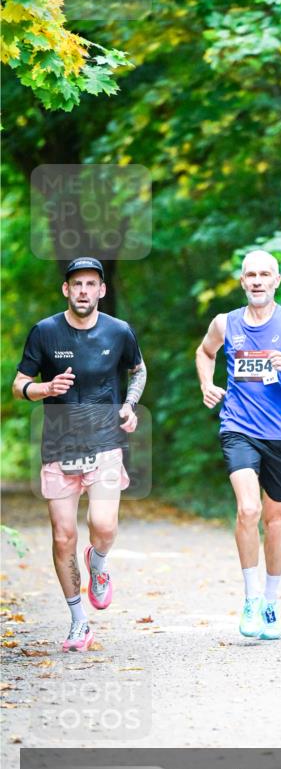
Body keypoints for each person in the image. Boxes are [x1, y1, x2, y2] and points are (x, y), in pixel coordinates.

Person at [12, 258, 147, 653]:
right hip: (58, 448)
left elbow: (138, 371)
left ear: (102, 290)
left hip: (105, 442)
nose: (84, 290)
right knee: (63, 536)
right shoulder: (45, 332)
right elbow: (19, 385)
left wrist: (131, 404)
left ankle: (99, 562)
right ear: (66, 290)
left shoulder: (119, 331)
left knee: (102, 525)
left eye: (91, 283)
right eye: (77, 284)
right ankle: (78, 622)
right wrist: (45, 389)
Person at [195, 249, 281, 640]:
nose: (257, 280)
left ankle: (270, 601)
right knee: (249, 509)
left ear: (276, 281)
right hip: (238, 428)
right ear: (242, 281)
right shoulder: (226, 323)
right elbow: (205, 353)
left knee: (275, 519)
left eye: (264, 274)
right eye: (250, 274)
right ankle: (251, 598)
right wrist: (207, 383)